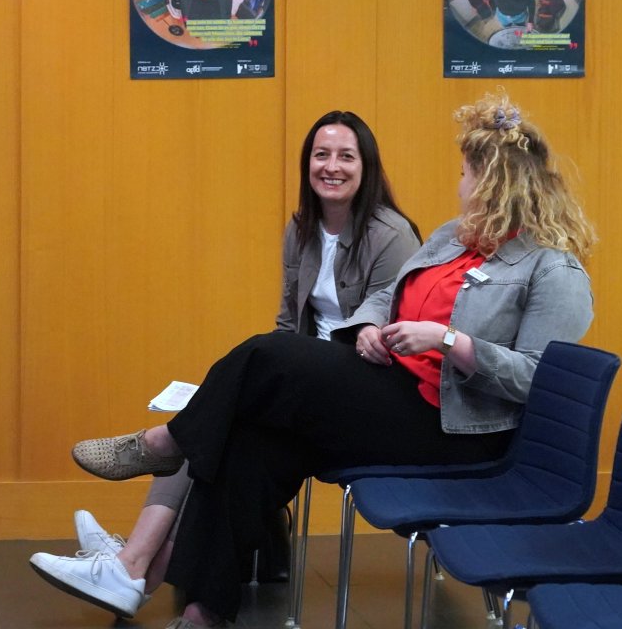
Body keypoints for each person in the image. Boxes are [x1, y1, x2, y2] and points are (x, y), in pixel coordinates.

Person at [31, 91, 596, 628]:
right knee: (248, 442)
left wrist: (449, 341)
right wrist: (369, 326)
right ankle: (203, 609)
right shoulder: (453, 238)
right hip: (393, 396)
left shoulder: (554, 270)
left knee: (270, 353)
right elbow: (389, 293)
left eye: (467, 174)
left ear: (495, 184)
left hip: (454, 430)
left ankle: (164, 444)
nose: (460, 184)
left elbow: (541, 379)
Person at [30, 110, 421, 620]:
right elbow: (288, 324)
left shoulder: (392, 235)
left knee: (216, 411)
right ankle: (162, 586)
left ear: (366, 167)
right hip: (306, 390)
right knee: (224, 429)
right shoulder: (301, 229)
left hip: (362, 392)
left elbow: (386, 322)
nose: (332, 166)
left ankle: (144, 514)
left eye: (346, 156)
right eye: (321, 154)